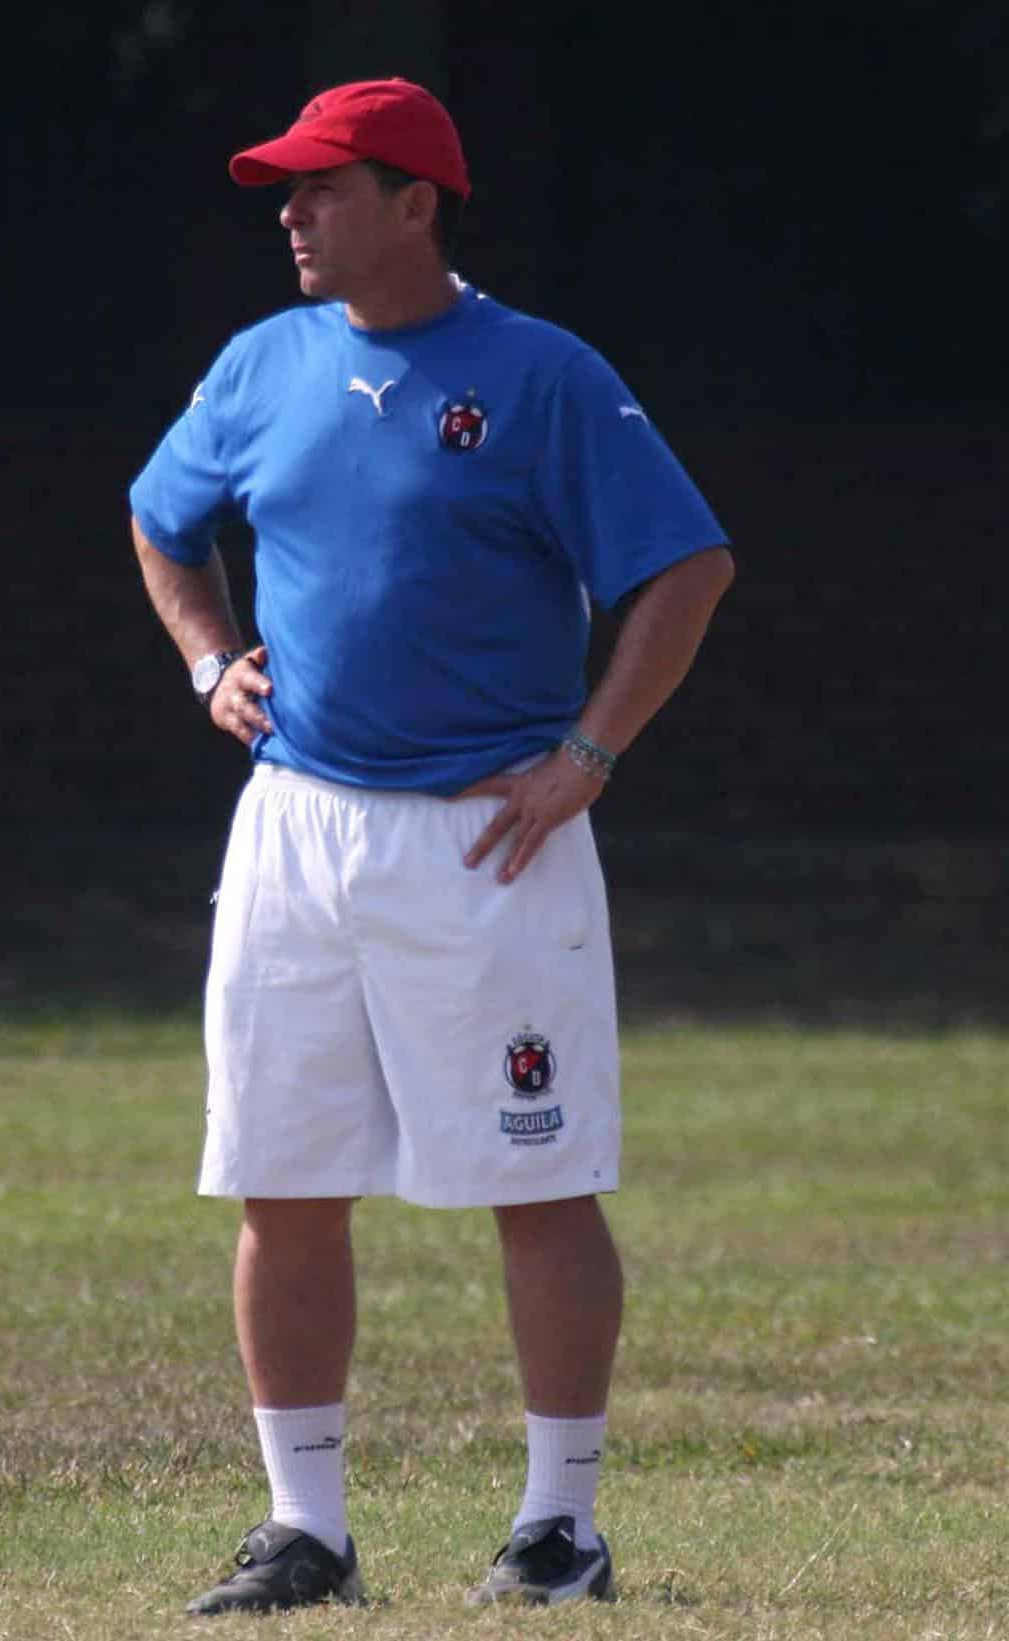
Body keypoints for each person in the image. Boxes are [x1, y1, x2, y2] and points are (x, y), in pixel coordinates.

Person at [127, 78, 734, 1615]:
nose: (292, 214)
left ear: (418, 203)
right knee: (282, 1175)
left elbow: (685, 565)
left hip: (489, 838)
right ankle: (304, 1528)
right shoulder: (259, 365)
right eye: (287, 189)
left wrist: (591, 750)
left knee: (536, 1180)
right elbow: (161, 515)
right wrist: (210, 660)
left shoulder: (540, 376)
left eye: (325, 188)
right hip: (297, 826)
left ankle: (559, 1526)